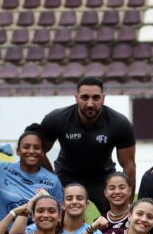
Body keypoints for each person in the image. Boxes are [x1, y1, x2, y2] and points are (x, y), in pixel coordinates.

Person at [38, 76, 137, 214]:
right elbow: (39, 151)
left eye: (96, 98)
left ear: (103, 98)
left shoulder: (119, 123)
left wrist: (128, 206)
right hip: (66, 176)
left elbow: (129, 165)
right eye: (85, 97)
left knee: (118, 219)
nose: (90, 104)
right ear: (76, 97)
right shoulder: (57, 119)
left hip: (103, 177)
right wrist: (53, 180)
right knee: (55, 219)